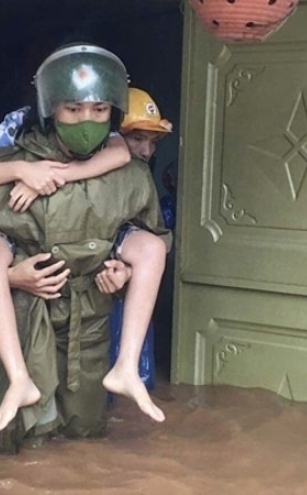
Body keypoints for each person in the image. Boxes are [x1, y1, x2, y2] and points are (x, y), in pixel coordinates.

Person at [0, 43, 170, 451]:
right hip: (25, 319)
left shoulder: (125, 168)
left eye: (99, 110)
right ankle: (20, 379)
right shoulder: (7, 161)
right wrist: (12, 277)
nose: (86, 120)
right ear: (50, 109)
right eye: (73, 109)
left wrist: (125, 274)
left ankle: (127, 367)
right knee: (22, 441)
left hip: (89, 321)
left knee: (85, 435)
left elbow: (151, 237)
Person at [95, 87, 173, 396]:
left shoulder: (139, 179)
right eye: (137, 139)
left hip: (117, 288)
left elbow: (158, 237)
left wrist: (128, 270)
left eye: (152, 142)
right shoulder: (72, 172)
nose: (146, 151)